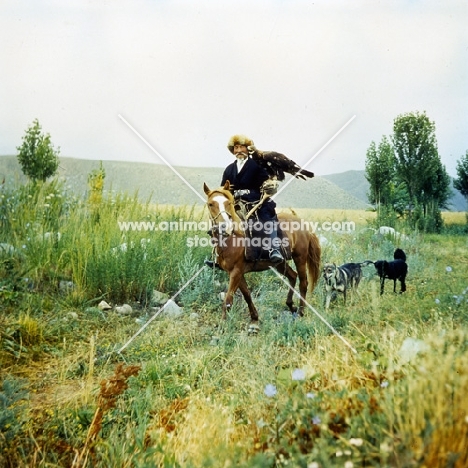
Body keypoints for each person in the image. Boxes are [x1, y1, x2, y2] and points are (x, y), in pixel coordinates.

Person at [206, 134, 284, 265]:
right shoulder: (229, 169)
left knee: (266, 217)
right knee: (218, 222)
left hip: (256, 201)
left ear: (248, 149)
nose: (239, 151)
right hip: (235, 203)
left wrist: (268, 185)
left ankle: (274, 249)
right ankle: (217, 257)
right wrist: (225, 189)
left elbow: (266, 182)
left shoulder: (257, 165)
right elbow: (222, 189)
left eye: (242, 147)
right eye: (236, 148)